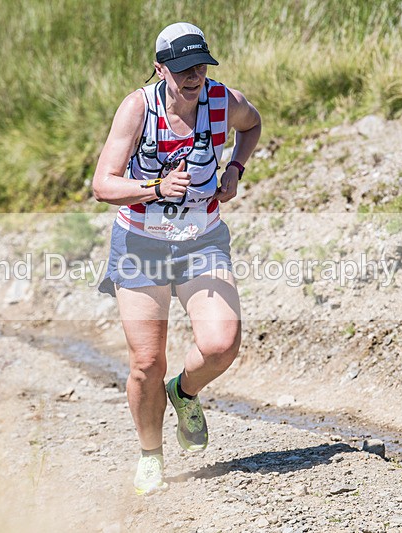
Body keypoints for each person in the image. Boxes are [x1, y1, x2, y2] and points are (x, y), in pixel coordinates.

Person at [92, 22, 261, 495]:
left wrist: (235, 168)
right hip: (141, 245)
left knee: (221, 345)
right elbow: (103, 185)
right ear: (160, 68)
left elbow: (252, 125)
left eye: (200, 66)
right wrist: (155, 187)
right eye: (183, 68)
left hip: (201, 240)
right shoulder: (137, 108)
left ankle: (184, 392)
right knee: (147, 362)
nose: (193, 76)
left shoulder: (222, 100)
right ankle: (151, 454)